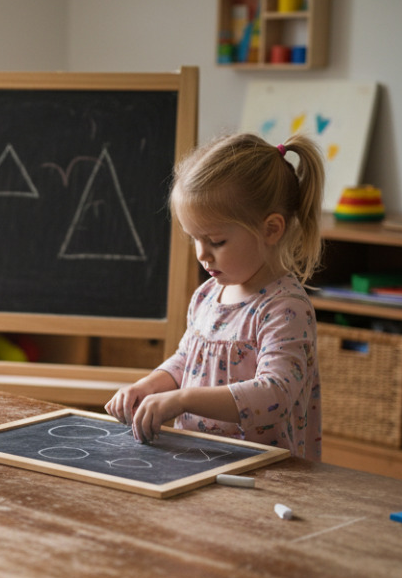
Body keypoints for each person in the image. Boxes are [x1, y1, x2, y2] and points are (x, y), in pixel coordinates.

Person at [105, 132, 324, 460]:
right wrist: (148, 386)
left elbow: (276, 394)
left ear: (271, 229)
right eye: (195, 239)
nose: (202, 255)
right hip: (197, 459)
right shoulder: (207, 295)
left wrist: (182, 400)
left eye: (216, 241)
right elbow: (185, 360)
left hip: (264, 471)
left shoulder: (285, 309)